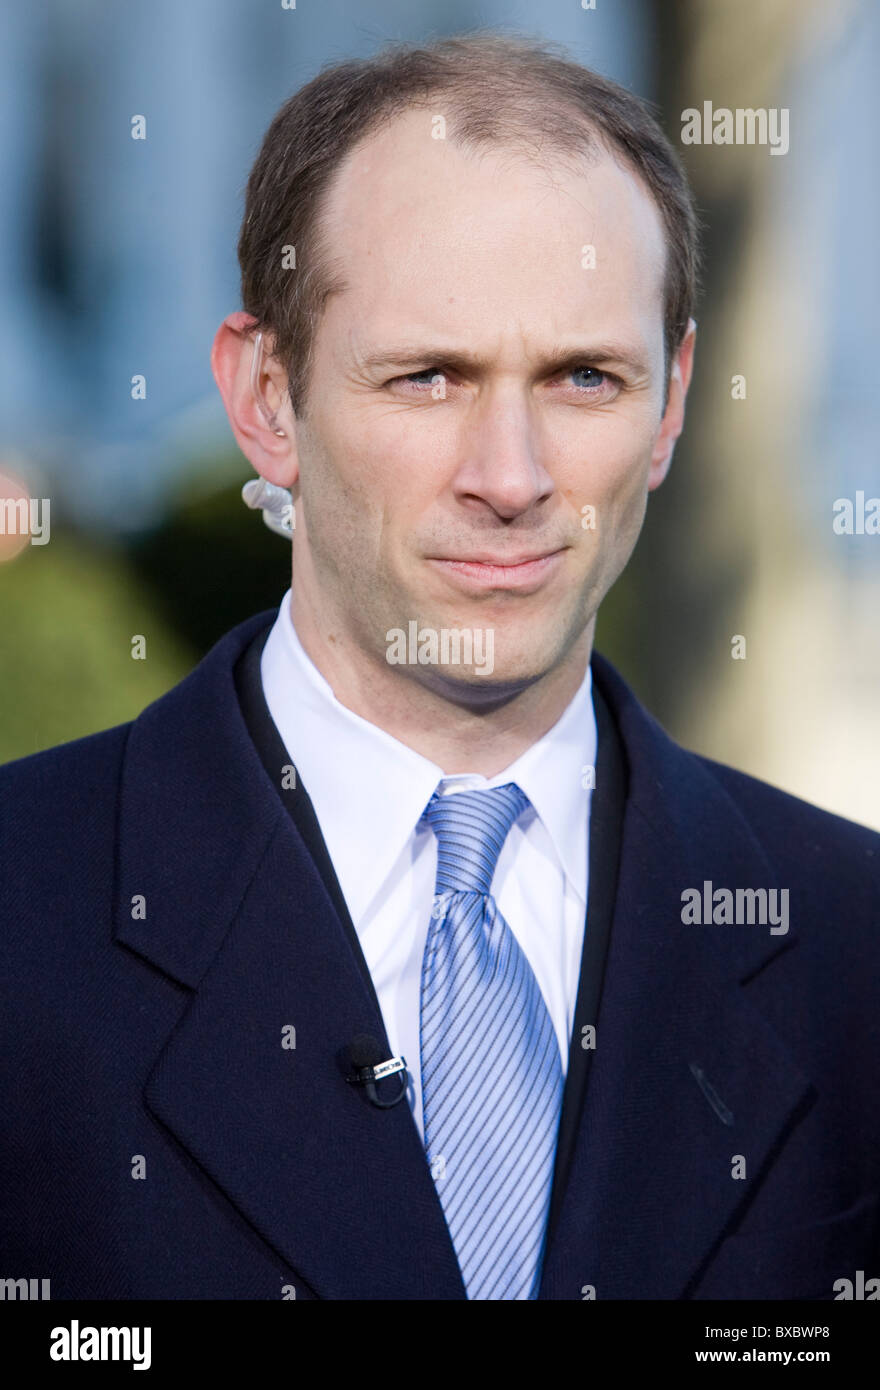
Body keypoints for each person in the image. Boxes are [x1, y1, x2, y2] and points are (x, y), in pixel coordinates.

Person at [2, 33, 878, 1302]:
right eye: (428, 378)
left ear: (673, 400)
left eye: (585, 376)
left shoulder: (847, 943)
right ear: (265, 396)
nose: (511, 476)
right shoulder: (27, 915)